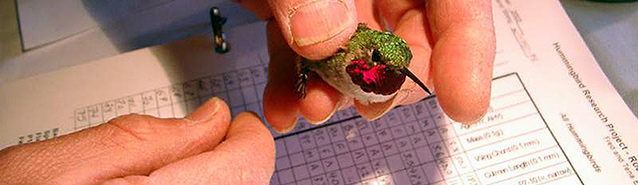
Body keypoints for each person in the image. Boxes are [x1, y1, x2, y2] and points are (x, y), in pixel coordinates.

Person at [0, 0, 495, 184]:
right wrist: (305, 67)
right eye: (390, 67)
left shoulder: (385, 69)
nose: (401, 76)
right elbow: (309, 52)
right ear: (364, 63)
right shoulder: (345, 54)